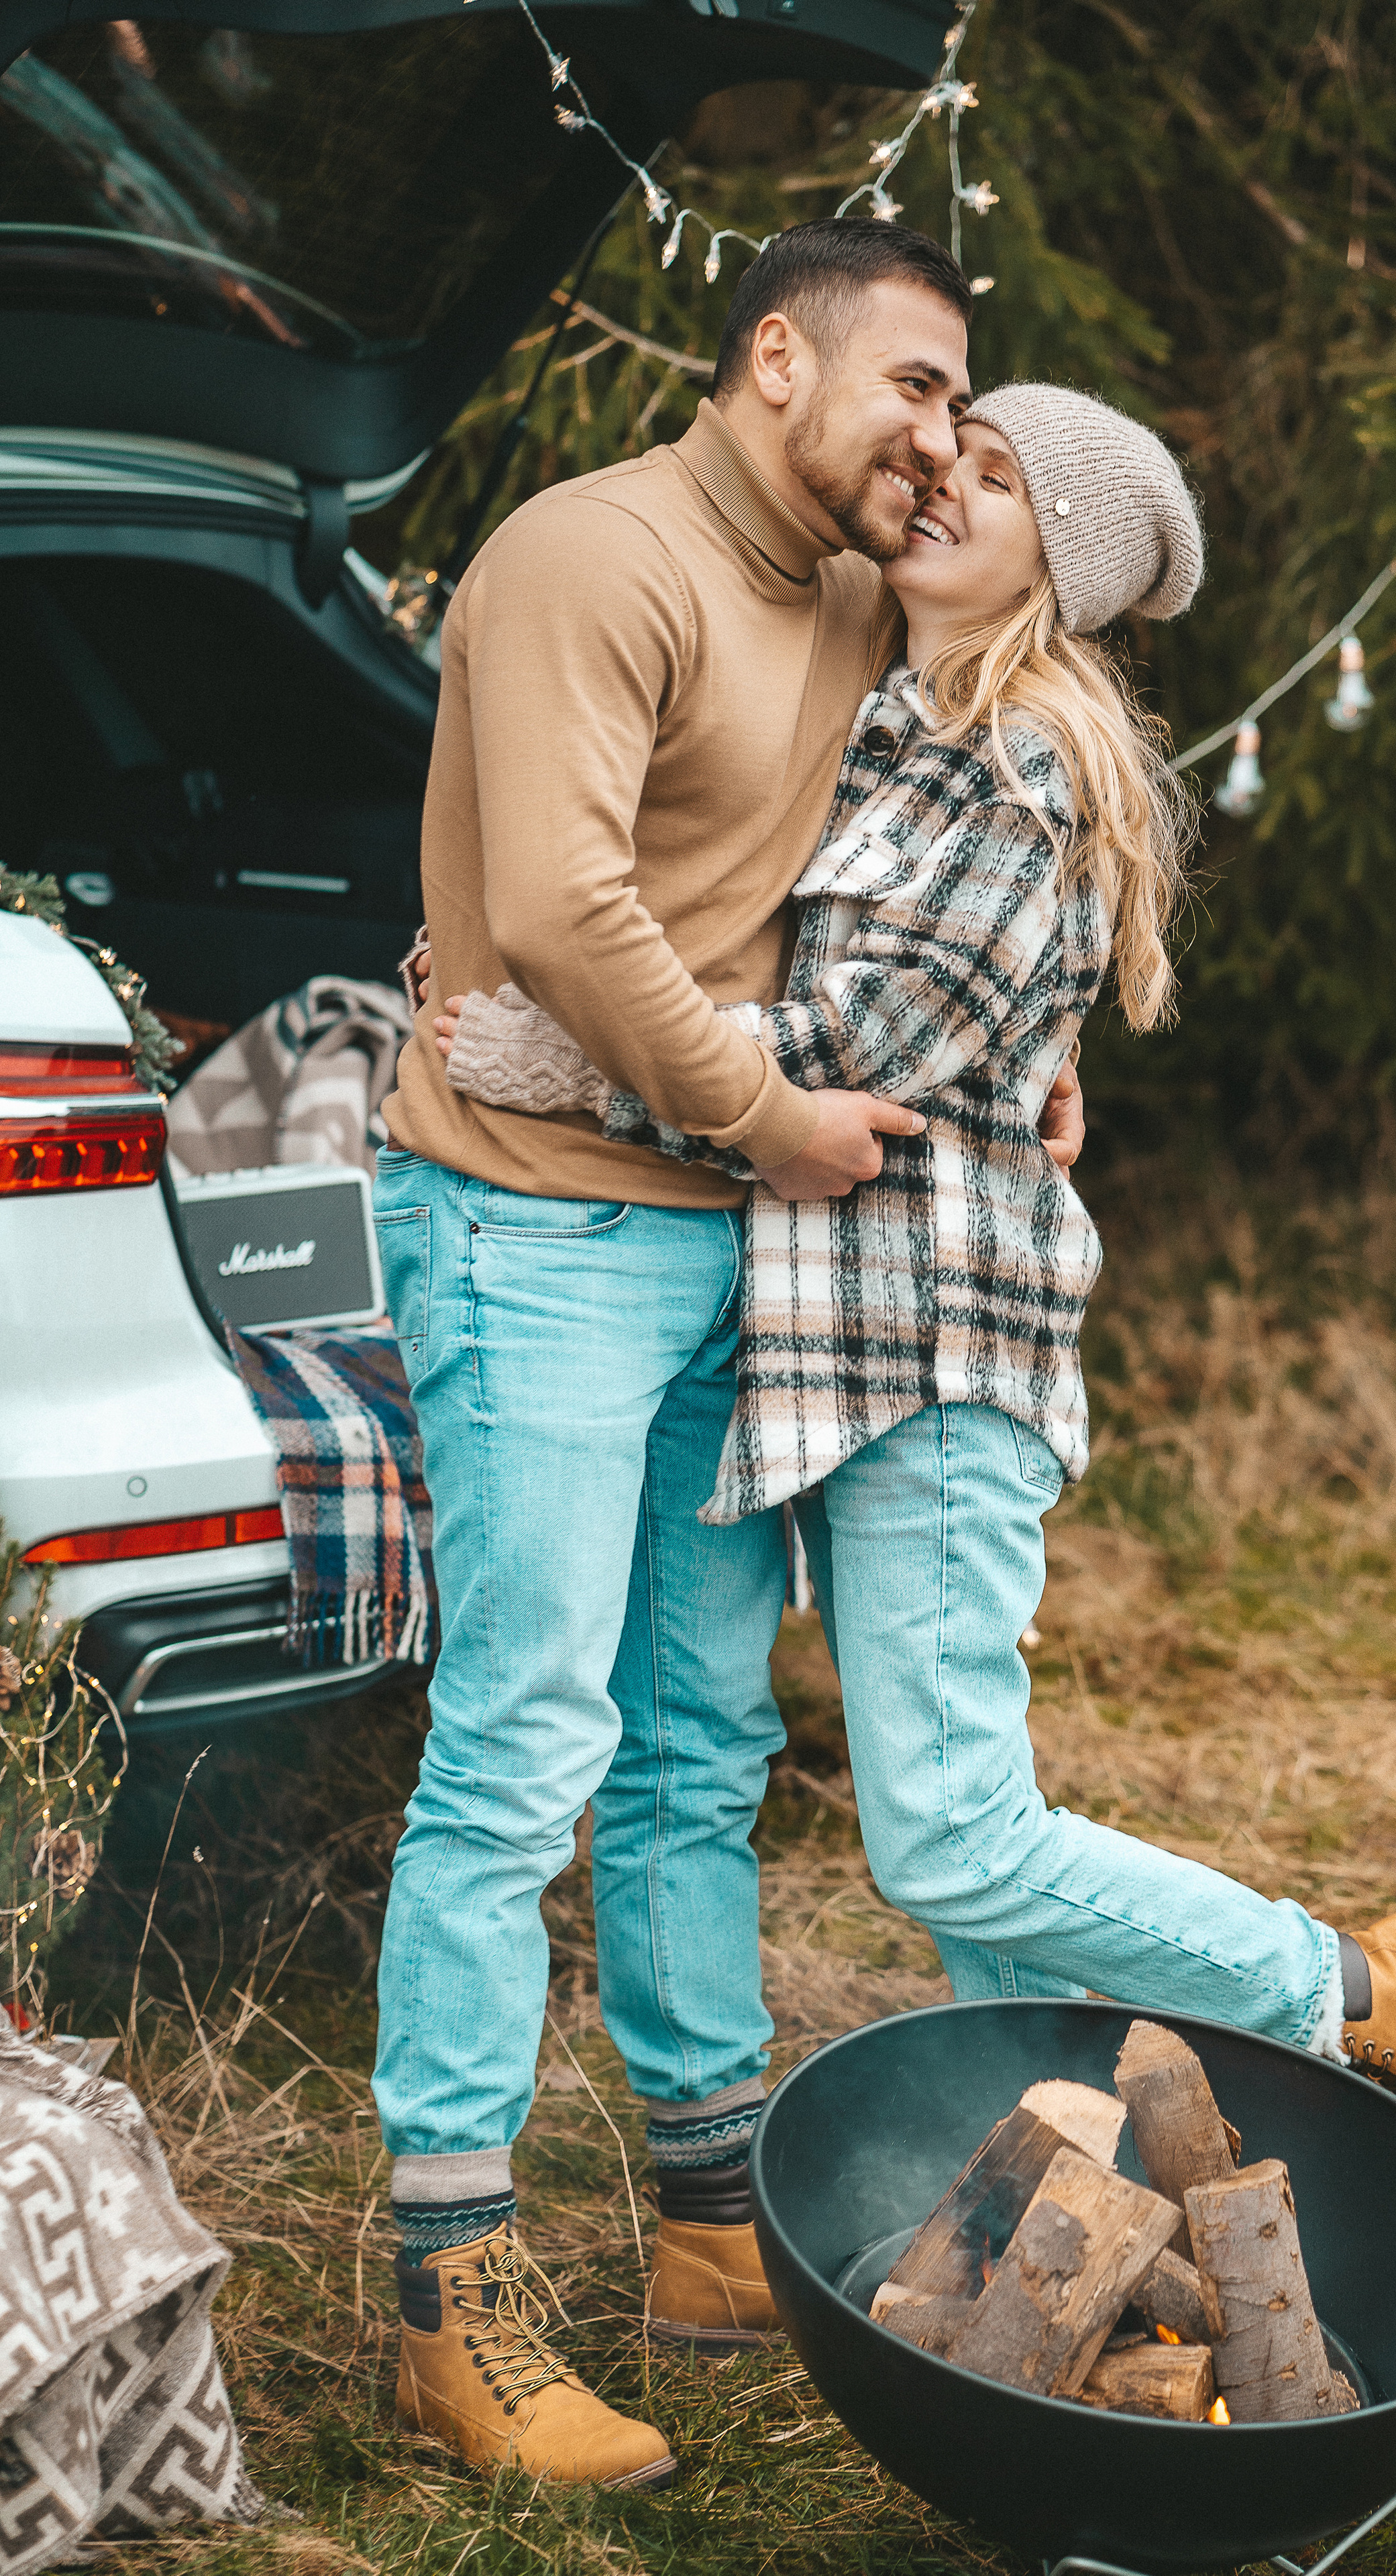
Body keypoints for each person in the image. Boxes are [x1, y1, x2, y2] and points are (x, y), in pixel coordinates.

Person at [431, 388, 1396, 2229]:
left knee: (951, 1831)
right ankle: (1066, 2224)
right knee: (965, 1882)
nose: (945, 477)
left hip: (940, 1357)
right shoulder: (880, 711)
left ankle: (1352, 1986)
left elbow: (845, 1047)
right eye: (956, 448)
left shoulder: (1025, 765)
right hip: (822, 1353)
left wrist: (568, 1058)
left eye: (1000, 478)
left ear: (1061, 568)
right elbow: (717, 919)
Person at [370, 220, 1086, 2492]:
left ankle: (704, 2220)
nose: (943, 440)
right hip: (538, 1224)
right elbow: (565, 906)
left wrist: (1034, 1053)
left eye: (963, 404)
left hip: (743, 1261)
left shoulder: (864, 593)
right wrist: (771, 1115)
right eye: (917, 386)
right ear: (777, 355)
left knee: (696, 1745)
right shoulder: (591, 557)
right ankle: (449, 2297)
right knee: (524, 1742)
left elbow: (932, 874)